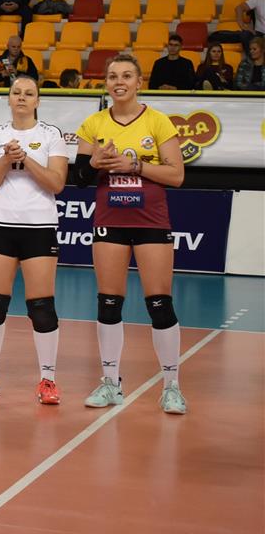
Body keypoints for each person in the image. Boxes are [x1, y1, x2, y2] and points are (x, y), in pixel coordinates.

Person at [73, 54, 187, 415]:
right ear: (106, 83)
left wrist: (134, 165)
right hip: (110, 222)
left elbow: (177, 175)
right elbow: (79, 178)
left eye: (126, 76)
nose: (118, 82)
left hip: (151, 222)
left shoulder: (157, 121)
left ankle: (172, 387)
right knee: (108, 302)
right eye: (112, 76)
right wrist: (95, 163)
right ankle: (110, 382)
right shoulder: (93, 123)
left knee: (159, 304)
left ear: (139, 82)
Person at [0, 75, 69, 404]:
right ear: (9, 98)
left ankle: (48, 380)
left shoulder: (51, 135)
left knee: (42, 307)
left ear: (38, 100)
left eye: (29, 93)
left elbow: (56, 184)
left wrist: (25, 158)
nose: (22, 98)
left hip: (39, 226)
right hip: (1, 224)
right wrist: (5, 159)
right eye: (17, 93)